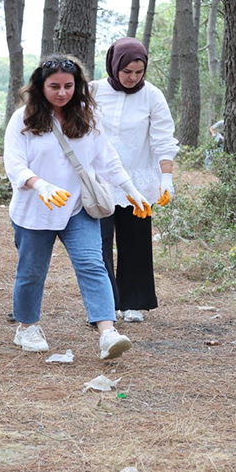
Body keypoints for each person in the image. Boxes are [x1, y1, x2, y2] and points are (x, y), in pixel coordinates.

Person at [2, 54, 150, 359]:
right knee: (31, 272)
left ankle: (107, 333)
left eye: (68, 86)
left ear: (77, 86)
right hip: (35, 210)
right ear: (40, 86)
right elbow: (14, 164)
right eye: (54, 86)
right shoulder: (23, 119)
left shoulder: (86, 116)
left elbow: (106, 159)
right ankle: (27, 326)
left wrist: (131, 190)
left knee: (92, 265)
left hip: (76, 208)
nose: (62, 93)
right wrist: (39, 185)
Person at [91, 37, 179, 323]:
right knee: (97, 245)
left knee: (136, 242)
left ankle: (133, 301)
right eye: (126, 71)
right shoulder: (92, 91)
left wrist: (166, 176)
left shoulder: (152, 95)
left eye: (139, 72)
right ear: (114, 66)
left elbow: (164, 137)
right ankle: (104, 304)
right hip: (99, 181)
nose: (132, 78)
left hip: (137, 181)